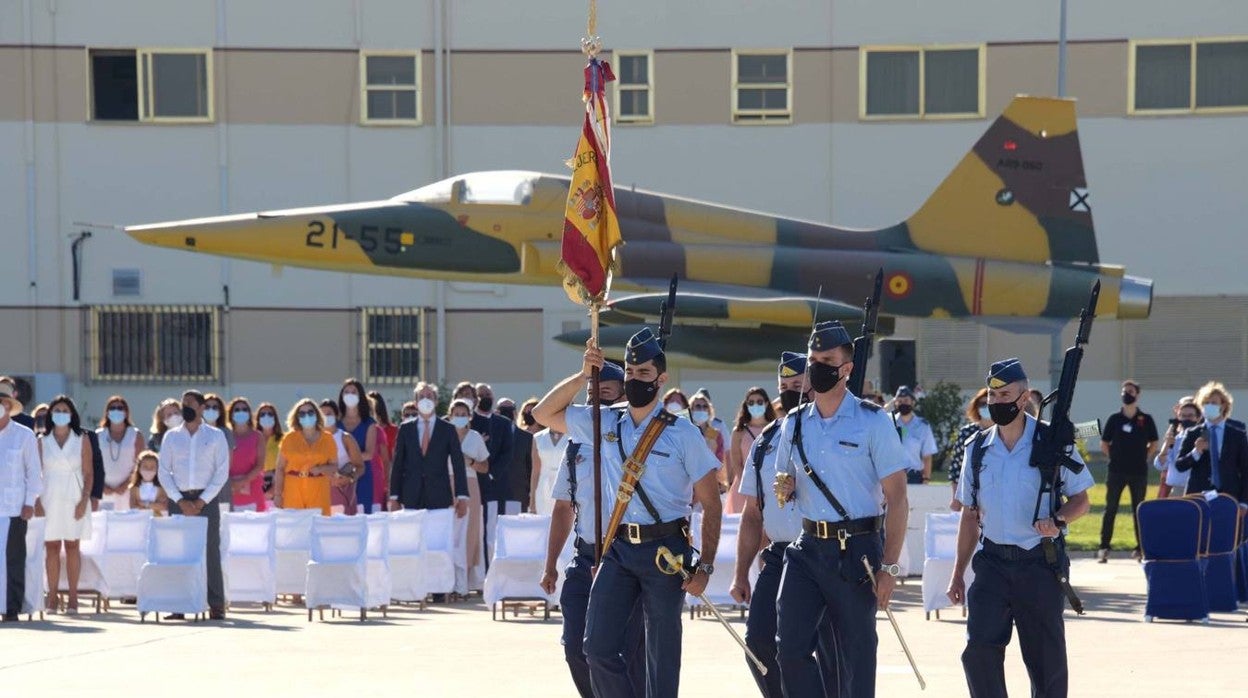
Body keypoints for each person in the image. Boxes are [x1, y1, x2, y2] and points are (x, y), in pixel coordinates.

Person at [533, 328, 723, 698]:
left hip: (665, 550)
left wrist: (706, 566)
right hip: (617, 549)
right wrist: (583, 373)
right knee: (595, 648)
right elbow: (543, 413)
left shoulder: (682, 433)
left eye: (644, 374)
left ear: (661, 379)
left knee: (660, 652)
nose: (636, 380)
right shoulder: (604, 423)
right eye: (631, 373)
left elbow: (711, 503)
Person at [771, 321, 908, 697]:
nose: (817, 366)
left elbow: (898, 498)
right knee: (789, 647)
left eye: (826, 360)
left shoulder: (872, 420)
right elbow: (787, 481)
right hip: (807, 547)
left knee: (856, 654)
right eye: (813, 359)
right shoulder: (794, 423)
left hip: (857, 551)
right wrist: (787, 486)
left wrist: (889, 567)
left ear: (846, 368)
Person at [947, 358, 1094, 698]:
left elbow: (1081, 500)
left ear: (1025, 396)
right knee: (978, 652)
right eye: (993, 396)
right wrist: (957, 573)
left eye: (1006, 395)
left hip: (1039, 564)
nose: (997, 402)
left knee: (1046, 663)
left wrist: (1058, 521)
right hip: (992, 564)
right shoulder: (978, 449)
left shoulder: (1053, 441)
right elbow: (969, 515)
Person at [730, 352, 836, 697]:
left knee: (829, 650)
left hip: (827, 551)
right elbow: (752, 513)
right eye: (785, 387)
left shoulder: (831, 432)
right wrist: (740, 571)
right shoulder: (765, 441)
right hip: (780, 555)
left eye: (798, 385)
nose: (792, 392)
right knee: (759, 641)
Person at [539, 370, 646, 698]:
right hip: (585, 557)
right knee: (575, 648)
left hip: (627, 556)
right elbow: (562, 508)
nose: (596, 403)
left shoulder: (641, 445)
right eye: (591, 396)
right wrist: (550, 564)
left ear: (623, 399)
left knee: (625, 653)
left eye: (606, 394)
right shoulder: (576, 447)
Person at [157, 390, 231, 620]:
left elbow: (221, 472)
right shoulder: (171, 436)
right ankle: (179, 604)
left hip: (205, 499)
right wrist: (179, 500)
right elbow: (164, 471)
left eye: (190, 403)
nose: (185, 407)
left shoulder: (216, 435)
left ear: (201, 407)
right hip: (178, 498)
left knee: (210, 550)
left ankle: (216, 604)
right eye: (183, 403)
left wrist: (201, 500)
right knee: (179, 551)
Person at [38, 395, 95, 614]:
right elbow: (35, 474)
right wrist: (36, 501)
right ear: (51, 415)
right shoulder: (42, 441)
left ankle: (73, 598)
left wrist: (84, 500)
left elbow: (89, 473)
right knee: (51, 548)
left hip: (74, 497)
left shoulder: (82, 439)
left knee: (72, 547)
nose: (61, 414)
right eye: (57, 410)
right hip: (49, 498)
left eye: (65, 410)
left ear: (72, 415)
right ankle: (52, 598)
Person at [1097, 380, 1158, 563]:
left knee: (1138, 510)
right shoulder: (1115, 419)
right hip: (1116, 471)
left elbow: (1154, 442)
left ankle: (1140, 549)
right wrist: (1114, 457)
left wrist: (1144, 456)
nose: (1127, 394)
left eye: (1130, 391)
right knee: (1111, 509)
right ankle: (1104, 548)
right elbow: (1104, 443)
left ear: (1137, 394)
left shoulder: (1145, 419)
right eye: (1124, 391)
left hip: (1138, 472)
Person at [389, 382, 469, 521]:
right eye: (421, 396)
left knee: (438, 541)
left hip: (439, 496)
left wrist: (461, 496)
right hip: (411, 495)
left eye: (429, 396)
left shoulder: (448, 429)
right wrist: (394, 497)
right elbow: (397, 464)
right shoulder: (406, 429)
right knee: (412, 540)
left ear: (436, 401)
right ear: (416, 402)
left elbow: (458, 464)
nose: (426, 400)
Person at [0, 380, 41, 622]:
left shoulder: (24, 436)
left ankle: (11, 607)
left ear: (9, 405)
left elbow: (34, 473)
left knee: (13, 559)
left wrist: (30, 502)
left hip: (14, 508)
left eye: (2, 402)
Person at [1174, 382, 1248, 505]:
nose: (1209, 406)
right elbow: (1179, 466)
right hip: (1198, 495)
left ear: (1223, 405)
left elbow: (1245, 470)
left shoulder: (1237, 435)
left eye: (1213, 403)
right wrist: (1195, 452)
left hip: (1229, 495)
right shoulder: (1193, 433)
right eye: (1205, 403)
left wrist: (1244, 502)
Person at [447, 398, 489, 593]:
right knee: (449, 530)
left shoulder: (474, 437)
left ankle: (467, 580)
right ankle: (447, 578)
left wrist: (470, 462)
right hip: (446, 483)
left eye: (464, 414)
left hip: (470, 484)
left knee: (470, 530)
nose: (460, 418)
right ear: (450, 415)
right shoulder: (443, 435)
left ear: (469, 416)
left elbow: (485, 466)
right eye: (457, 414)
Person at [472, 382, 514, 569]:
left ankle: (492, 570)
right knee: (474, 531)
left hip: (494, 485)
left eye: (487, 394)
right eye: (480, 395)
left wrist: (490, 474)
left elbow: (507, 452)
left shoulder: (503, 424)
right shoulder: (469, 421)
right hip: (472, 483)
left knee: (492, 532)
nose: (484, 398)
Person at [273, 399, 337, 516]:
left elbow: (334, 466)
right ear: (297, 418)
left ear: (317, 415)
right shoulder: (289, 439)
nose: (306, 416)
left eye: (310, 412)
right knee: (295, 528)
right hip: (293, 488)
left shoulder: (328, 439)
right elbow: (280, 468)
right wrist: (277, 494)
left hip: (318, 488)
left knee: (319, 526)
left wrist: (320, 469)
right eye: (302, 414)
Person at [727, 387, 777, 517]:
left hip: (771, 487)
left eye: (759, 402)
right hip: (744, 488)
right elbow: (736, 464)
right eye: (751, 402)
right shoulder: (739, 432)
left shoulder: (776, 428)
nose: (755, 405)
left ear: (766, 403)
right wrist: (751, 486)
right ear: (746, 405)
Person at [95, 395, 144, 512]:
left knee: (128, 526)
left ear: (126, 413)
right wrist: (101, 485)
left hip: (128, 491)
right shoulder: (98, 435)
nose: (116, 410)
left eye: (120, 408)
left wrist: (126, 484)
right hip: (104, 492)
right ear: (107, 413)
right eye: (112, 408)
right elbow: (92, 464)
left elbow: (140, 464)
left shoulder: (136, 435)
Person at [339, 379, 381, 513]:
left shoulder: (369, 423)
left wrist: (347, 461)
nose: (350, 395)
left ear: (360, 396)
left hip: (362, 475)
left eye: (353, 392)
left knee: (362, 514)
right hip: (338, 475)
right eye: (346, 392)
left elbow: (369, 453)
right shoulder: (336, 422)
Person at [320, 399, 365, 515]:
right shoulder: (315, 440)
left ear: (337, 415)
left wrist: (348, 478)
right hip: (320, 492)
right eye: (322, 414)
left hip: (343, 492)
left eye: (329, 414)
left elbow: (360, 467)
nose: (325, 417)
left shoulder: (345, 438)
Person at [226, 397, 267, 512]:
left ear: (249, 413)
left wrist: (243, 481)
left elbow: (260, 465)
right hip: (229, 491)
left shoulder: (257, 436)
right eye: (237, 410)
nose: (241, 412)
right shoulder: (225, 435)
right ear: (231, 414)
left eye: (244, 409)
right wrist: (231, 483)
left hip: (253, 490)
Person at [892, 385, 938, 485]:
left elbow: (927, 455)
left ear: (913, 402)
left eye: (906, 400)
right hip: (893, 476)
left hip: (915, 477)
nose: (903, 403)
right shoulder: (889, 423)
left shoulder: (922, 426)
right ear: (895, 403)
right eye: (899, 401)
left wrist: (926, 478)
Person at [1154, 397, 1198, 498]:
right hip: (1177, 488)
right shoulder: (1176, 438)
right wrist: (1166, 445)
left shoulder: (1203, 437)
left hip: (1196, 488)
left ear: (1197, 417)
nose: (1186, 419)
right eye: (1183, 416)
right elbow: (1160, 465)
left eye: (1190, 416)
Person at [498, 398, 535, 513]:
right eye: (503, 410)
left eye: (509, 409)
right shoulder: (490, 436)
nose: (506, 413)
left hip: (518, 495)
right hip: (495, 496)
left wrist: (530, 494)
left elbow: (531, 469)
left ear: (515, 412)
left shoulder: (527, 438)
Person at [688, 391, 727, 498]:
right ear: (691, 410)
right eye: (698, 406)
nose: (701, 409)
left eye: (705, 406)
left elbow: (720, 459)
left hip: (710, 480)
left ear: (709, 410)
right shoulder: (687, 432)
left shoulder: (715, 433)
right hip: (689, 483)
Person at [368, 391, 396, 510]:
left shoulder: (391, 430)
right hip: (368, 472)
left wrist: (388, 482)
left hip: (386, 471)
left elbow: (391, 457)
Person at [256, 402, 283, 494]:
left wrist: (273, 489)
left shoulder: (283, 439)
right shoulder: (253, 439)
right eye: (262, 414)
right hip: (256, 485)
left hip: (278, 486)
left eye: (270, 414)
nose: (266, 417)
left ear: (275, 418)